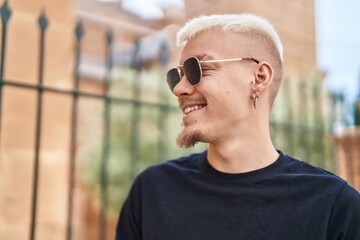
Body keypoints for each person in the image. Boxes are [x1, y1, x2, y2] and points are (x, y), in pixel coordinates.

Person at [116, 13, 360, 240]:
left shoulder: (334, 208)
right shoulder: (151, 192)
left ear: (259, 77)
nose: (179, 89)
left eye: (197, 69)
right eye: (175, 76)